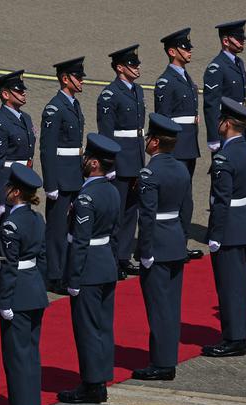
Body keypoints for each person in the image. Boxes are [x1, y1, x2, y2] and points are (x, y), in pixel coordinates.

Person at [58, 134, 121, 404]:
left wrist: (73, 278)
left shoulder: (86, 197)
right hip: (106, 265)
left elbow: (80, 242)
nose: (83, 161)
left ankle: (91, 384)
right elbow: (115, 234)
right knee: (104, 326)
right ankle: (101, 378)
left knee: (87, 329)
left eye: (87, 158)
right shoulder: (112, 191)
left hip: (89, 270)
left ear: (94, 163)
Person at [0, 164, 48, 405]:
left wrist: (4, 300)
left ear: (15, 193)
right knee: (30, 354)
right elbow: (42, 258)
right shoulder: (37, 219)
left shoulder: (11, 225)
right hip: (34, 290)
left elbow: (9, 267)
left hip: (18, 295)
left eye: (8, 188)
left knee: (17, 357)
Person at [134, 114, 192, 381]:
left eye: (149, 138)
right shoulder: (181, 169)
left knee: (158, 308)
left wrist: (145, 251)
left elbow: (147, 216)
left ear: (155, 142)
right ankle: (167, 357)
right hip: (175, 242)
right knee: (171, 306)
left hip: (157, 245)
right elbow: (186, 208)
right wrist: (182, 239)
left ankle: (161, 363)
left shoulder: (150, 173)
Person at [203, 98, 246, 357]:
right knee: (244, 284)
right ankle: (242, 333)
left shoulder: (224, 158)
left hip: (230, 229)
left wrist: (215, 234)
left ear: (226, 124)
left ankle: (234, 339)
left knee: (229, 286)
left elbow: (221, 201)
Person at [98, 45, 150, 277]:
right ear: (120, 68)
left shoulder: (137, 90)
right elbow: (106, 132)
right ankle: (112, 259)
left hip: (136, 158)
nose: (137, 68)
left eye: (137, 64)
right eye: (132, 64)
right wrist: (109, 164)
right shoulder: (110, 94)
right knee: (117, 214)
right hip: (119, 160)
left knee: (131, 211)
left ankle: (123, 256)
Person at [0, 70, 36, 290]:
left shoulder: (25, 118)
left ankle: (15, 283)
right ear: (5, 94)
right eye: (18, 91)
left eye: (23, 90)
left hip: (21, 187)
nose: (24, 93)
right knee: (2, 238)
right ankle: (0, 287)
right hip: (5, 189)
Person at [40, 57, 86, 294]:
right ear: (65, 79)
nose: (81, 81)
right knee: (57, 230)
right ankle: (54, 275)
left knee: (71, 229)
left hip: (75, 175)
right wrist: (51, 184)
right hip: (61, 178)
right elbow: (47, 149)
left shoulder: (74, 104)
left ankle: (67, 270)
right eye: (78, 77)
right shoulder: (54, 108)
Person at [154, 29, 201, 181]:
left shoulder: (185, 77)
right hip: (176, 147)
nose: (190, 51)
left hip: (189, 144)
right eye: (185, 48)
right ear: (172, 52)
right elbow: (163, 118)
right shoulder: (166, 81)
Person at [204, 20, 246, 151]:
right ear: (225, 41)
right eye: (238, 39)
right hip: (226, 128)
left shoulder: (239, 62)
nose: (243, 41)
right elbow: (211, 104)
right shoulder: (216, 67)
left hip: (239, 124)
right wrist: (214, 136)